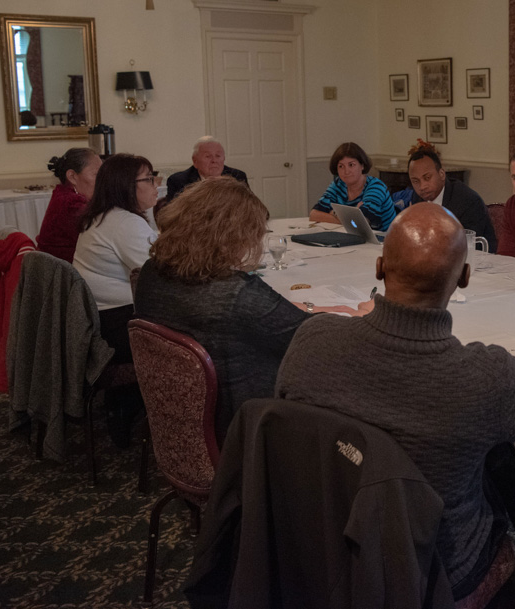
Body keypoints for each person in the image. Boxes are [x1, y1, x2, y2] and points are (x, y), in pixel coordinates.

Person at [276, 203, 515, 600]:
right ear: (466, 278)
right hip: (435, 566)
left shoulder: (312, 340)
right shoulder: (485, 375)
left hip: (323, 543)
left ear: (379, 267)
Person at [135, 177, 364, 443]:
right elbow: (313, 342)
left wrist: (309, 307)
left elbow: (272, 320)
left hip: (182, 420)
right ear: (233, 237)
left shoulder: (151, 272)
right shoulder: (236, 294)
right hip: (247, 426)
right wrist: (360, 315)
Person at [73, 153, 160, 445]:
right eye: (148, 179)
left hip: (97, 320)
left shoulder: (106, 214)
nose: (155, 184)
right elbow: (163, 273)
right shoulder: (124, 223)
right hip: (118, 329)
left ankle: (128, 402)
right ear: (126, 185)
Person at [401, 146, 496, 251]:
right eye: (415, 181)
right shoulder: (417, 198)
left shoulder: (467, 201)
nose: (422, 186)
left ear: (441, 174)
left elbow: (470, 246)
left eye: (427, 178)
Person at [309, 141, 396, 231]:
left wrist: (334, 214)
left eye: (351, 165)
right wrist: (351, 214)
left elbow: (362, 223)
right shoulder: (338, 184)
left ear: (362, 165)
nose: (346, 171)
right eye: (341, 166)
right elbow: (314, 214)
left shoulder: (376, 186)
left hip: (383, 241)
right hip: (353, 237)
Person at [36, 148, 102, 263]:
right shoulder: (72, 205)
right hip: (63, 276)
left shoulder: (63, 194)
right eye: (97, 175)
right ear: (72, 176)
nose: (103, 182)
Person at [165, 136, 249, 201]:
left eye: (218, 156)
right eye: (208, 156)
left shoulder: (237, 177)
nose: (214, 160)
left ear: (224, 158)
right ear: (195, 161)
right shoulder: (178, 181)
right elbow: (173, 216)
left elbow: (249, 207)